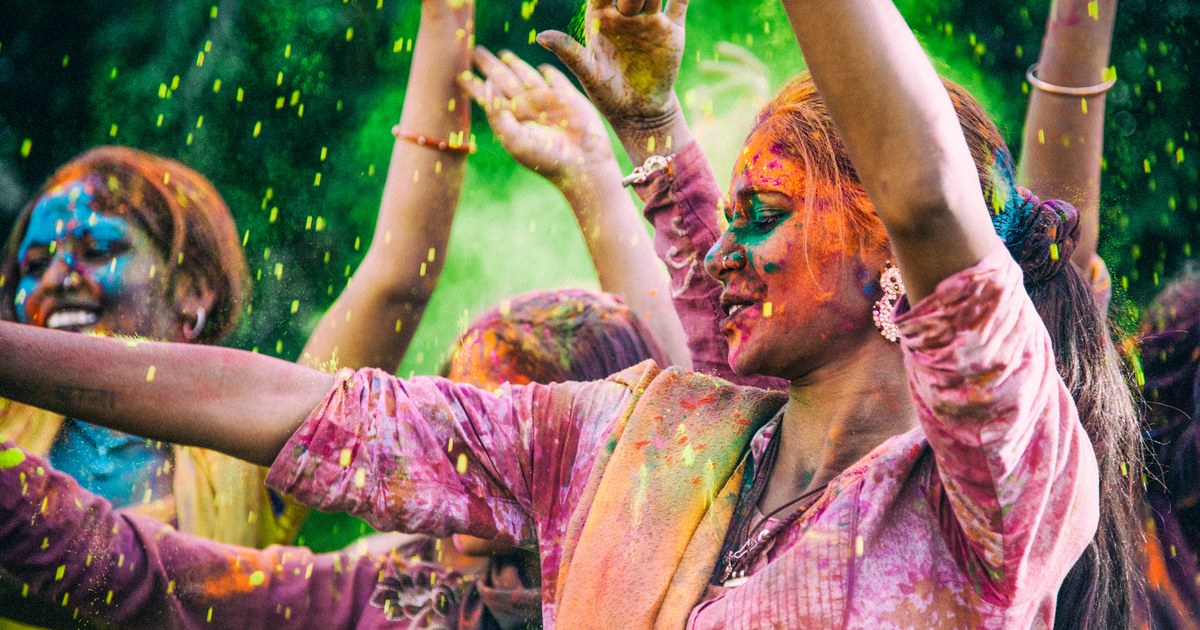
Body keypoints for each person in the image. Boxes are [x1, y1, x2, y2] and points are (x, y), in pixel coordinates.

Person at [0, 0, 1131, 627]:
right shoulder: (632, 433)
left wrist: (629, 153)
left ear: (886, 233)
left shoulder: (997, 488)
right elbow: (311, 409)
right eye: (721, 217)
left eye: (765, 217)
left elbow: (932, 193)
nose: (725, 252)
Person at [0, 288, 665, 630]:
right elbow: (148, 577)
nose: (464, 526)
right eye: (454, 462)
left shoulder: (702, 582)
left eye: (509, 467)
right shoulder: (404, 602)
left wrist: (638, 150)